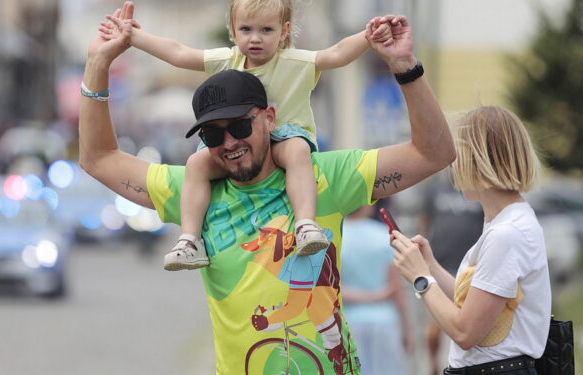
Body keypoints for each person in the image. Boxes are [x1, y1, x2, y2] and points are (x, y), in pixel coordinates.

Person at [79, 3, 455, 373]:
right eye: (212, 134)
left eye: (240, 127)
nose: (228, 143)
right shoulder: (197, 190)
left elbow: (434, 153)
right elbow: (98, 158)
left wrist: (405, 67)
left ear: (270, 118)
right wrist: (98, 63)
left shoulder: (323, 176)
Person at [97, 0, 393, 271]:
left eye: (266, 30)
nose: (255, 38)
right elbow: (178, 53)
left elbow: (337, 54)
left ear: (283, 31)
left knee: (297, 152)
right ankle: (190, 239)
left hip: (286, 136)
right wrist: (135, 37)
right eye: (246, 29)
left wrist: (367, 38)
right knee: (197, 163)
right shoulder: (228, 60)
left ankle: (305, 224)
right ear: (233, 31)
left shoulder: (295, 62)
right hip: (239, 139)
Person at [390, 106, 551, 375]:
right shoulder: (506, 223)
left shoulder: (506, 234)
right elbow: (475, 303)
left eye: (458, 155)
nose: (452, 166)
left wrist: (421, 279)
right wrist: (430, 266)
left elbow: (465, 331)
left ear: (479, 160)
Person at [418, 170, 483, 375]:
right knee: (433, 331)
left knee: (468, 324)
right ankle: (433, 365)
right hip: (441, 263)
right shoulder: (434, 190)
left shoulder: (477, 190)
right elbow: (425, 221)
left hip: (471, 267)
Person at [341, 203, 413, 375]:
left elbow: (331, 287)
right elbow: (397, 289)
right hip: (385, 320)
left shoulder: (335, 235)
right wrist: (407, 330)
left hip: (348, 322)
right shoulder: (383, 235)